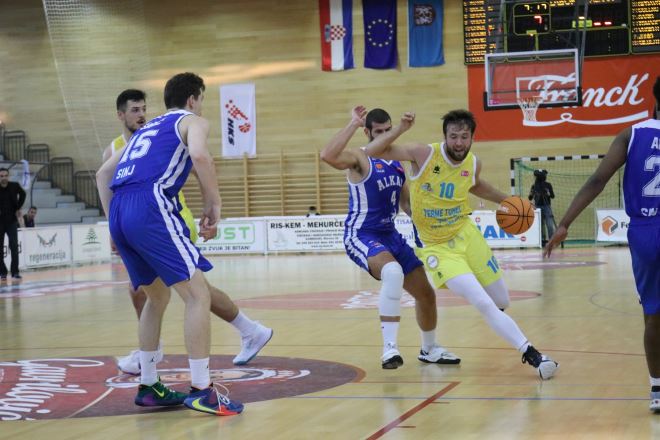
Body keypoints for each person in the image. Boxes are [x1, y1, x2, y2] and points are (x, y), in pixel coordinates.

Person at [362, 108, 559, 379]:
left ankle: (496, 318)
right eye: (453, 136)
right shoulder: (423, 154)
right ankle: (533, 354)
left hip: (467, 236)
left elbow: (475, 185)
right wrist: (401, 129)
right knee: (482, 301)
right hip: (437, 249)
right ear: (445, 136)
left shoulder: (473, 163)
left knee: (501, 300)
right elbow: (371, 152)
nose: (458, 142)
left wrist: (507, 200)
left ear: (472, 138)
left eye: (464, 137)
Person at [97, 73, 243, 416]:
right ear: (192, 99)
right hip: (150, 206)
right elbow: (201, 157)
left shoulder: (145, 130)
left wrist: (113, 225)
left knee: (157, 296)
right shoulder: (192, 120)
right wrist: (214, 204)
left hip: (119, 210)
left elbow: (103, 174)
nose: (201, 106)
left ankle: (149, 384)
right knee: (198, 295)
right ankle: (202, 389)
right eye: (201, 99)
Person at [105, 89, 272, 376]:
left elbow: (199, 161)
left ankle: (157, 357)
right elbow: (103, 174)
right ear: (120, 115)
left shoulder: (161, 129)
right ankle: (249, 330)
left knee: (181, 291)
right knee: (185, 290)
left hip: (164, 215)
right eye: (134, 110)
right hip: (144, 215)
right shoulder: (122, 144)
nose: (141, 114)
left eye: (143, 109)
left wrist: (210, 202)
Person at [545, 76, 660, 411]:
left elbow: (597, 180)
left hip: (644, 231)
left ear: (655, 101)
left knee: (653, 314)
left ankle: (657, 389)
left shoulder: (632, 134)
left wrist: (564, 223)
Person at [321, 106, 460, 369]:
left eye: (388, 130)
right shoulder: (360, 157)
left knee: (426, 294)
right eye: (379, 132)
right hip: (362, 234)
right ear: (367, 133)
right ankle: (390, 349)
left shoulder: (396, 163)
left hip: (391, 235)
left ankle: (429, 348)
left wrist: (432, 223)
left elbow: (407, 204)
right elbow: (327, 155)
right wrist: (353, 123)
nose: (385, 136)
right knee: (393, 272)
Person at [0, 167, 26, 281]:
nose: (4, 178)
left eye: (6, 175)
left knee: (14, 246)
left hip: (11, 221)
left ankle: (15, 272)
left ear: (8, 176)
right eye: (1, 176)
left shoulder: (14, 186)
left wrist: (18, 207)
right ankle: (2, 272)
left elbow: (23, 194)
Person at [528, 169, 556, 245]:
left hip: (547, 206)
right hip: (537, 207)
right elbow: (530, 198)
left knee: (549, 224)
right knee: (540, 225)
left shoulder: (548, 185)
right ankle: (542, 241)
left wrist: (548, 193)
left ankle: (551, 241)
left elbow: (552, 196)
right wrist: (532, 193)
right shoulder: (534, 186)